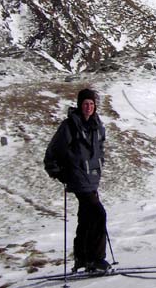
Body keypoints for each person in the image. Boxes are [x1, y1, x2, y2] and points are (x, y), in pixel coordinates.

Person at [44, 88, 111, 272]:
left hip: (91, 179)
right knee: (98, 215)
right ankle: (96, 260)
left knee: (86, 218)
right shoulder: (70, 126)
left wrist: (99, 164)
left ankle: (82, 258)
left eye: (91, 104)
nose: (88, 107)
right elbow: (53, 151)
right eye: (85, 104)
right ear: (79, 105)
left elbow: (100, 149)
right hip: (78, 177)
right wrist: (59, 172)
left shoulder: (98, 126)